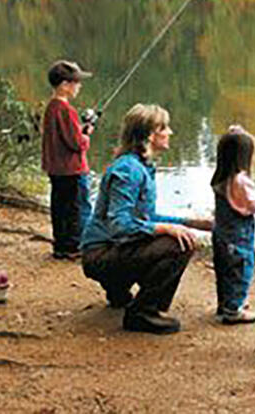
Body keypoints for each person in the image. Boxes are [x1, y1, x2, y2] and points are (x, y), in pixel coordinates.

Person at [81, 103, 212, 334]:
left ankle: (118, 290)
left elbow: (146, 218)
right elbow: (120, 226)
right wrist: (167, 230)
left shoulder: (139, 166)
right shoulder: (129, 170)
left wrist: (192, 223)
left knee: (174, 233)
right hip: (100, 253)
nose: (170, 132)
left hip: (107, 248)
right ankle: (143, 313)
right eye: (165, 128)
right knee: (178, 245)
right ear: (150, 135)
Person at [210, 125, 255, 325]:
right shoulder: (241, 181)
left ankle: (226, 303)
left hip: (221, 234)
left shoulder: (221, 178)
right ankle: (233, 309)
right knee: (240, 270)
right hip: (237, 237)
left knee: (224, 271)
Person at [41, 60, 95, 260]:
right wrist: (86, 136)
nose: (79, 86)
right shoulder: (66, 110)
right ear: (65, 85)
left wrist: (81, 130)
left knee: (60, 207)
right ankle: (74, 247)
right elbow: (77, 143)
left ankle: (61, 246)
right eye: (76, 82)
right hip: (72, 170)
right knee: (77, 208)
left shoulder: (51, 107)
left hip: (56, 169)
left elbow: (63, 136)